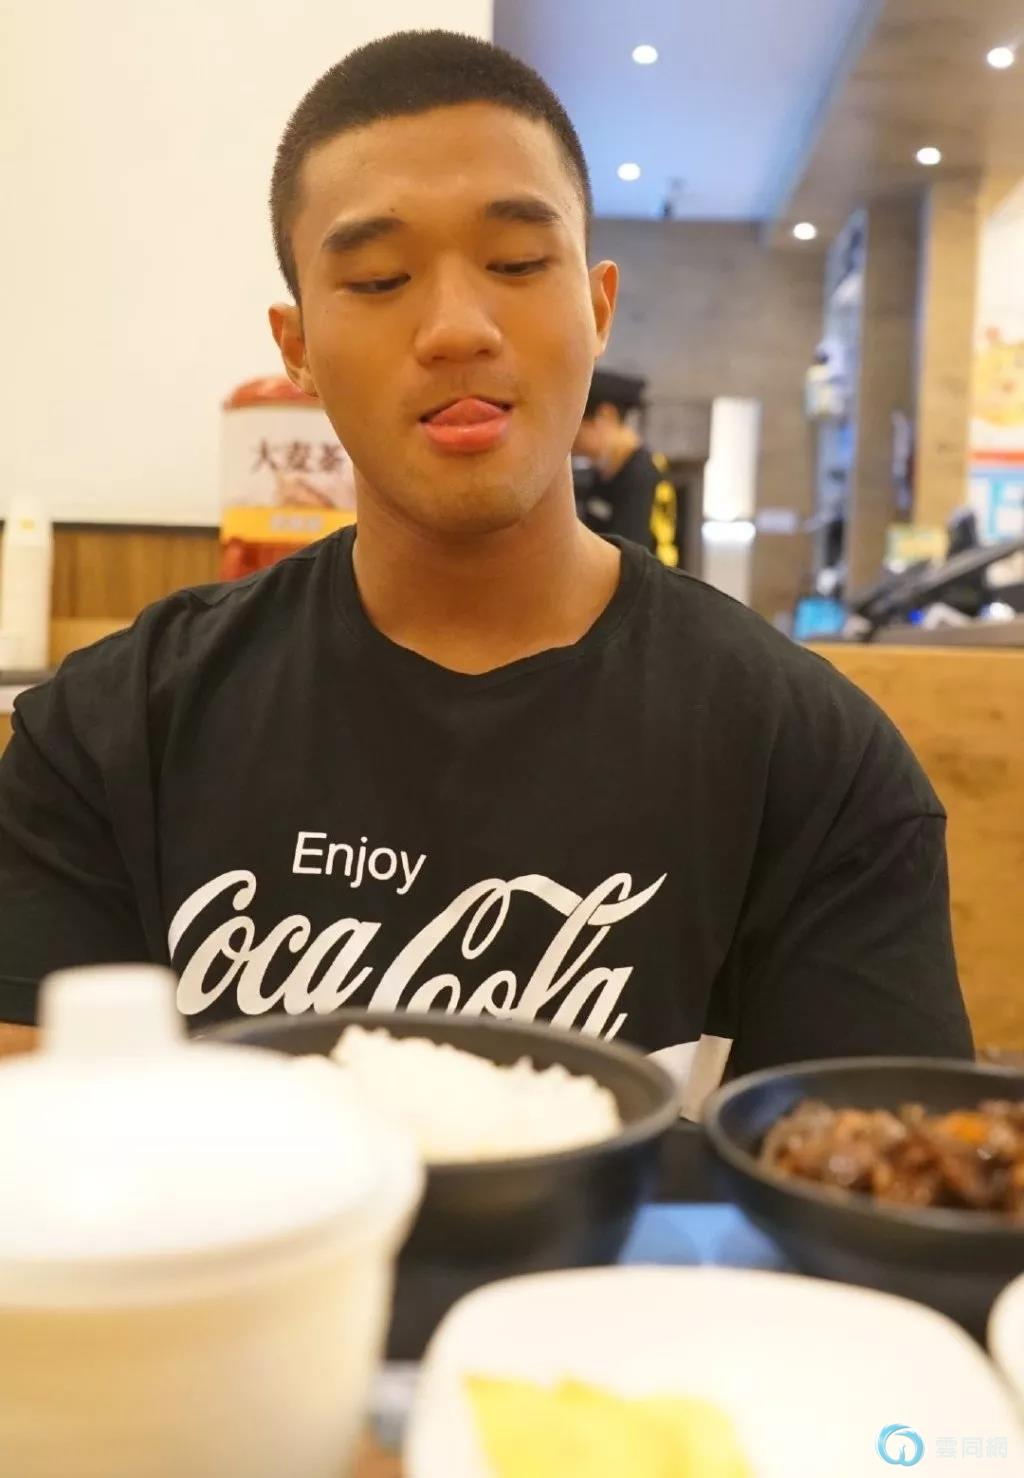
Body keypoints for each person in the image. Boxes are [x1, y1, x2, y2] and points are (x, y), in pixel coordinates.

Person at [0, 31, 971, 1112]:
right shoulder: (107, 736)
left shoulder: (815, 763)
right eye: (378, 278)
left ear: (598, 306)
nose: (457, 328)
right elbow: (35, 1164)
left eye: (515, 263)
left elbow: (869, 1175)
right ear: (297, 346)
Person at [573, 368, 677, 565]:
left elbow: (630, 559)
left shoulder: (641, 475)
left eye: (576, 426)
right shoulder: (604, 471)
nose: (571, 440)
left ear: (605, 415)